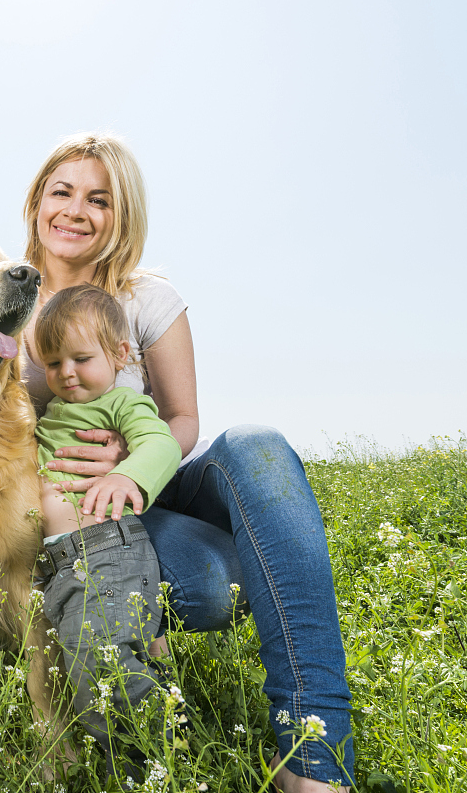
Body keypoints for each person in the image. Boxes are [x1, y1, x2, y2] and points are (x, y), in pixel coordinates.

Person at [21, 133, 355, 792]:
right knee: (207, 581)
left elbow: (181, 420)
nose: (76, 211)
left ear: (123, 216)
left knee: (257, 442)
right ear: (37, 201)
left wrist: (127, 457)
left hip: (161, 478)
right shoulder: (6, 301)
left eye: (100, 199)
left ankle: (314, 756)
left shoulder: (145, 296)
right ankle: (155, 652)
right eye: (62, 192)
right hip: (81, 516)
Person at [34, 283, 181, 757]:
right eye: (54, 363)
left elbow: (163, 443)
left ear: (120, 355)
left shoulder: (122, 404)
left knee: (97, 663)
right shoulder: (50, 417)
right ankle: (149, 752)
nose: (67, 373)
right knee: (86, 664)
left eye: (81, 359)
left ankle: (167, 751)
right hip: (55, 566)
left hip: (106, 549)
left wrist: (128, 478)